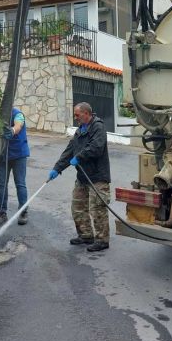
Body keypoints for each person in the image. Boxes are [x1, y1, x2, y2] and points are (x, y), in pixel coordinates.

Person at [48, 102, 110, 252]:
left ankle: (102, 240)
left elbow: (96, 147)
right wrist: (57, 168)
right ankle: (86, 235)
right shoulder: (80, 131)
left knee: (97, 209)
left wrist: (80, 157)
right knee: (78, 207)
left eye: (77, 115)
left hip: (97, 177)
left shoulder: (98, 127)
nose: (76, 118)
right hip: (82, 176)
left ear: (86, 114)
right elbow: (69, 151)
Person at [0, 105, 30, 227]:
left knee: (20, 183)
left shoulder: (17, 113)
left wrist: (13, 130)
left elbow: (18, 125)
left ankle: (23, 212)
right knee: (2, 184)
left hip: (19, 154)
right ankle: (2, 213)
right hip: (3, 155)